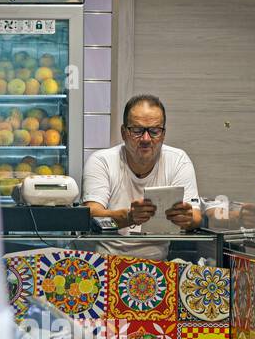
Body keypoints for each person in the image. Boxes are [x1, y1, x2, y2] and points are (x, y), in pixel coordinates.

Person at [83, 94, 202, 260]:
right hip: (104, 264)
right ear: (124, 133)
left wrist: (186, 218)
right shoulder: (102, 161)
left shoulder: (178, 160)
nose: (146, 139)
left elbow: (195, 217)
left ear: (163, 134)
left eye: (154, 131)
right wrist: (129, 217)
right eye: (137, 131)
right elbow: (91, 215)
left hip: (159, 266)